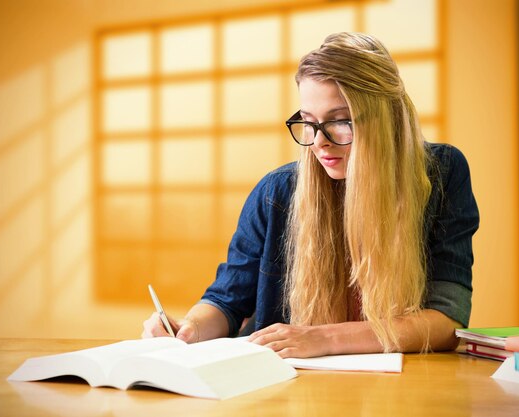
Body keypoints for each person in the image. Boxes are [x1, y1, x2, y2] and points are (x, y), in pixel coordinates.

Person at [142, 32, 479, 358]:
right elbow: (228, 301)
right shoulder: (277, 192)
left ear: (386, 118)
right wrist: (190, 330)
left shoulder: (441, 173)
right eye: (308, 121)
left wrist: (323, 338)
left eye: (340, 121)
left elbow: (446, 322)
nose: (319, 141)